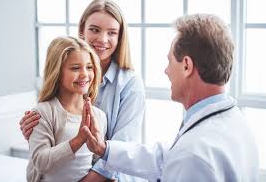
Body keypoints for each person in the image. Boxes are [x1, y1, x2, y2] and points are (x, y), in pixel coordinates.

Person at [81, 14, 259, 182]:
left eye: (170, 61)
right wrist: (104, 148)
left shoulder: (194, 155)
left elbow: (182, 157)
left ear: (187, 66)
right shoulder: (238, 125)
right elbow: (163, 157)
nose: (166, 71)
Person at [20, 0, 146, 181]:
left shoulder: (130, 85)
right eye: (94, 29)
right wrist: (35, 131)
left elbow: (118, 150)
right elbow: (46, 147)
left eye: (111, 33)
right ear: (82, 31)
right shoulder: (63, 75)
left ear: (120, 38)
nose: (102, 39)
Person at [26, 36, 107, 182]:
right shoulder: (43, 112)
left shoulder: (99, 116)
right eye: (75, 68)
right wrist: (78, 140)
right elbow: (41, 162)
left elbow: (96, 161)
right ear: (57, 71)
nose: (85, 74)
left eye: (89, 67)